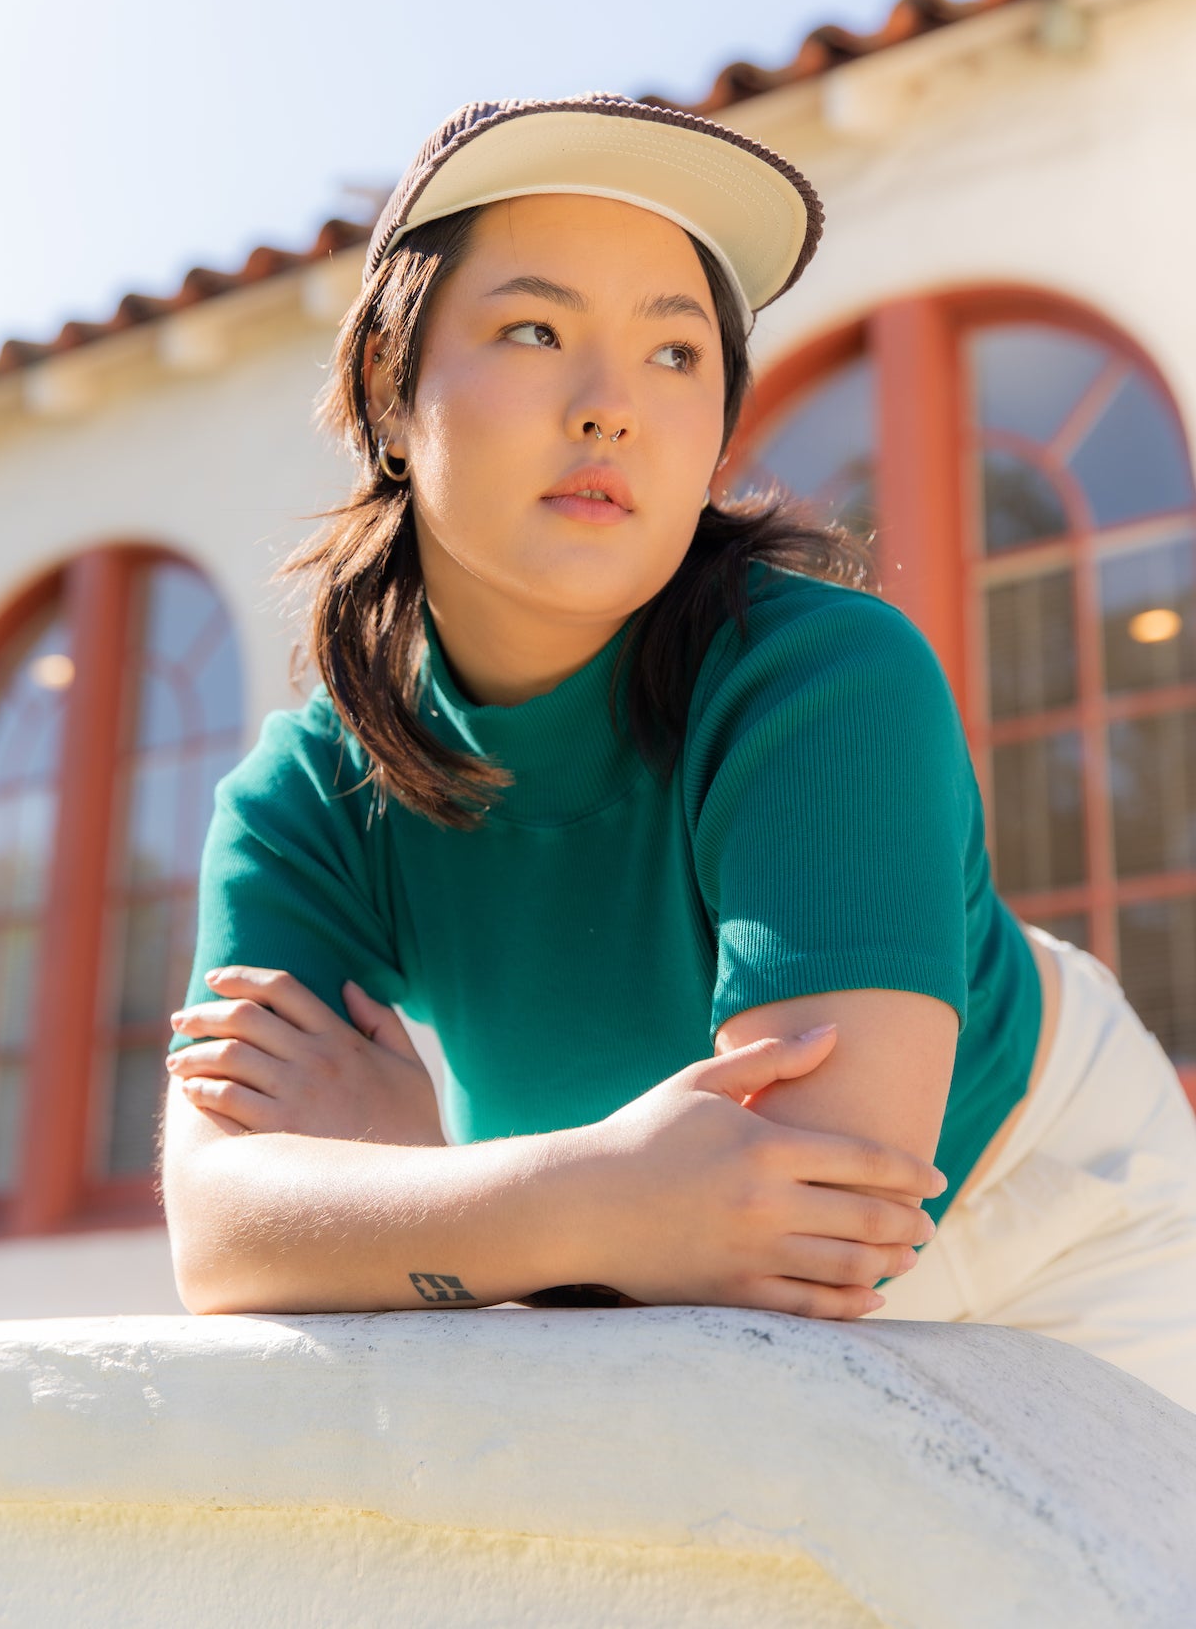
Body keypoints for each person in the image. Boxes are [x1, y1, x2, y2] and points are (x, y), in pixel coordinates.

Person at [162, 93, 1196, 1412]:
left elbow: (812, 1225)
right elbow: (225, 1235)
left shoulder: (822, 676)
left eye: (675, 353)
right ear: (388, 384)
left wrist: (407, 1176)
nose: (612, 409)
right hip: (644, 1279)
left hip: (1057, 1208)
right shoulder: (307, 793)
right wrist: (583, 1197)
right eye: (535, 329)